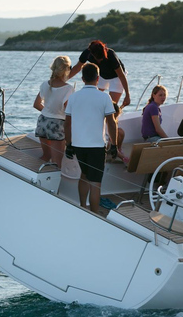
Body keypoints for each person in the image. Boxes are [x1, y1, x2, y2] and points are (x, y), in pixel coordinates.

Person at [64, 63, 119, 213]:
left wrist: (68, 144)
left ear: (82, 78)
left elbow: (67, 124)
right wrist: (114, 145)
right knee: (95, 183)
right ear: (98, 78)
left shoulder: (73, 97)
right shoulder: (104, 97)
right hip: (96, 146)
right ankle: (94, 215)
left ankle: (83, 207)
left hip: (78, 145)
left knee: (84, 175)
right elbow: (112, 123)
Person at [33, 56, 74, 166]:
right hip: (57, 125)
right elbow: (68, 111)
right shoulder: (68, 88)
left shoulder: (44, 84)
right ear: (66, 69)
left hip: (43, 122)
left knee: (46, 157)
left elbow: (36, 104)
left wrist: (48, 111)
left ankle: (36, 178)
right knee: (57, 162)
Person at [68, 40, 131, 107]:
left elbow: (121, 75)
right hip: (101, 76)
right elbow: (77, 67)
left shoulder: (111, 54)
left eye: (101, 58)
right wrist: (63, 80)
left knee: (112, 105)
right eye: (97, 58)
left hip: (116, 77)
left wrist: (127, 94)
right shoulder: (87, 53)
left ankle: (113, 115)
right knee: (93, 100)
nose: (99, 60)